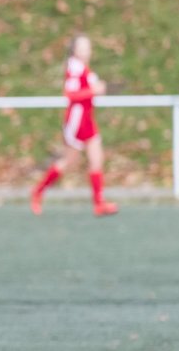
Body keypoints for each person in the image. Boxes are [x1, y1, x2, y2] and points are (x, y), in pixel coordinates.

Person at [31, 35, 118, 217]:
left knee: (97, 159)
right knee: (69, 162)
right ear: (75, 50)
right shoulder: (74, 68)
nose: (88, 51)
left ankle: (99, 203)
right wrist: (93, 91)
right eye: (83, 47)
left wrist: (97, 91)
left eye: (89, 47)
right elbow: (70, 94)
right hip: (77, 121)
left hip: (88, 119)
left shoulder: (84, 69)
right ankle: (38, 192)